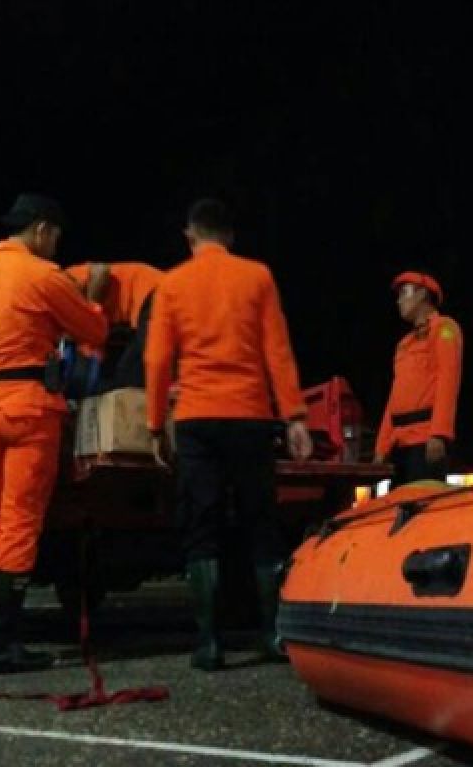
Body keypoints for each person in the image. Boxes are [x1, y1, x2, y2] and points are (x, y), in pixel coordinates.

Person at [0, 193, 108, 676]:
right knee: (18, 525)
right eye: (55, 236)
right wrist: (92, 298)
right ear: (40, 230)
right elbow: (89, 328)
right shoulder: (42, 276)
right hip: (29, 410)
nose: (55, 245)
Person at [144, 198, 313, 671]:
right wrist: (295, 416)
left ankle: (209, 642)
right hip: (251, 414)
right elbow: (277, 350)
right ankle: (273, 634)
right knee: (262, 521)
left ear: (190, 236)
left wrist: (156, 423)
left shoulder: (172, 284)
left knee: (203, 523)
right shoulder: (257, 276)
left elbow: (157, 361)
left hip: (196, 418)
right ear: (231, 237)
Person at [374, 271, 463, 487]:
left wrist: (439, 435)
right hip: (399, 445)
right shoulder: (404, 344)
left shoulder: (444, 328)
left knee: (422, 510)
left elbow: (448, 381)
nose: (399, 300)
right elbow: (395, 397)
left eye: (404, 293)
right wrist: (381, 447)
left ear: (422, 294)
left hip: (425, 442)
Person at [64, 262, 163, 388]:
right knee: (127, 374)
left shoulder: (63, 281)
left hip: (152, 292)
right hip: (141, 310)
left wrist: (92, 313)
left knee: (134, 371)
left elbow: (101, 271)